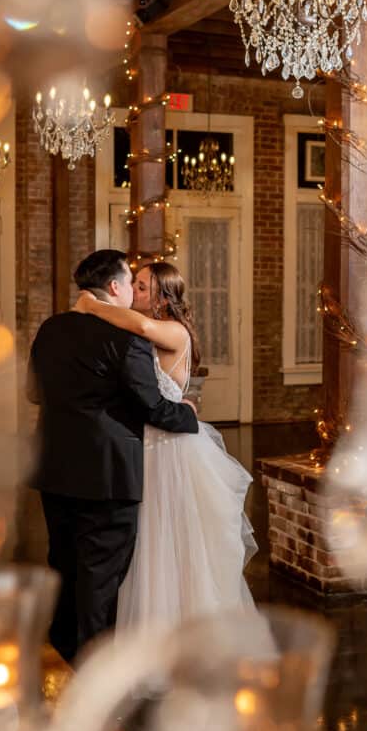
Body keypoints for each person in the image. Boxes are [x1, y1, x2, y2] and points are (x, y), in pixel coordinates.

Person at [26, 249, 198, 663]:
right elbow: (152, 407)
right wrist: (188, 417)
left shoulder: (50, 329)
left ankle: (65, 648)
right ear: (116, 287)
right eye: (130, 283)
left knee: (64, 564)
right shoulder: (127, 340)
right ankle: (94, 670)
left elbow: (33, 393)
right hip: (108, 476)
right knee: (100, 577)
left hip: (53, 470)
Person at [73, 261, 257, 632]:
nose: (133, 291)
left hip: (170, 448)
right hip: (146, 442)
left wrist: (94, 306)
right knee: (146, 539)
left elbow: (139, 325)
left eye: (141, 286)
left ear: (160, 295)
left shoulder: (173, 331)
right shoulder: (142, 335)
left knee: (169, 535)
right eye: (135, 284)